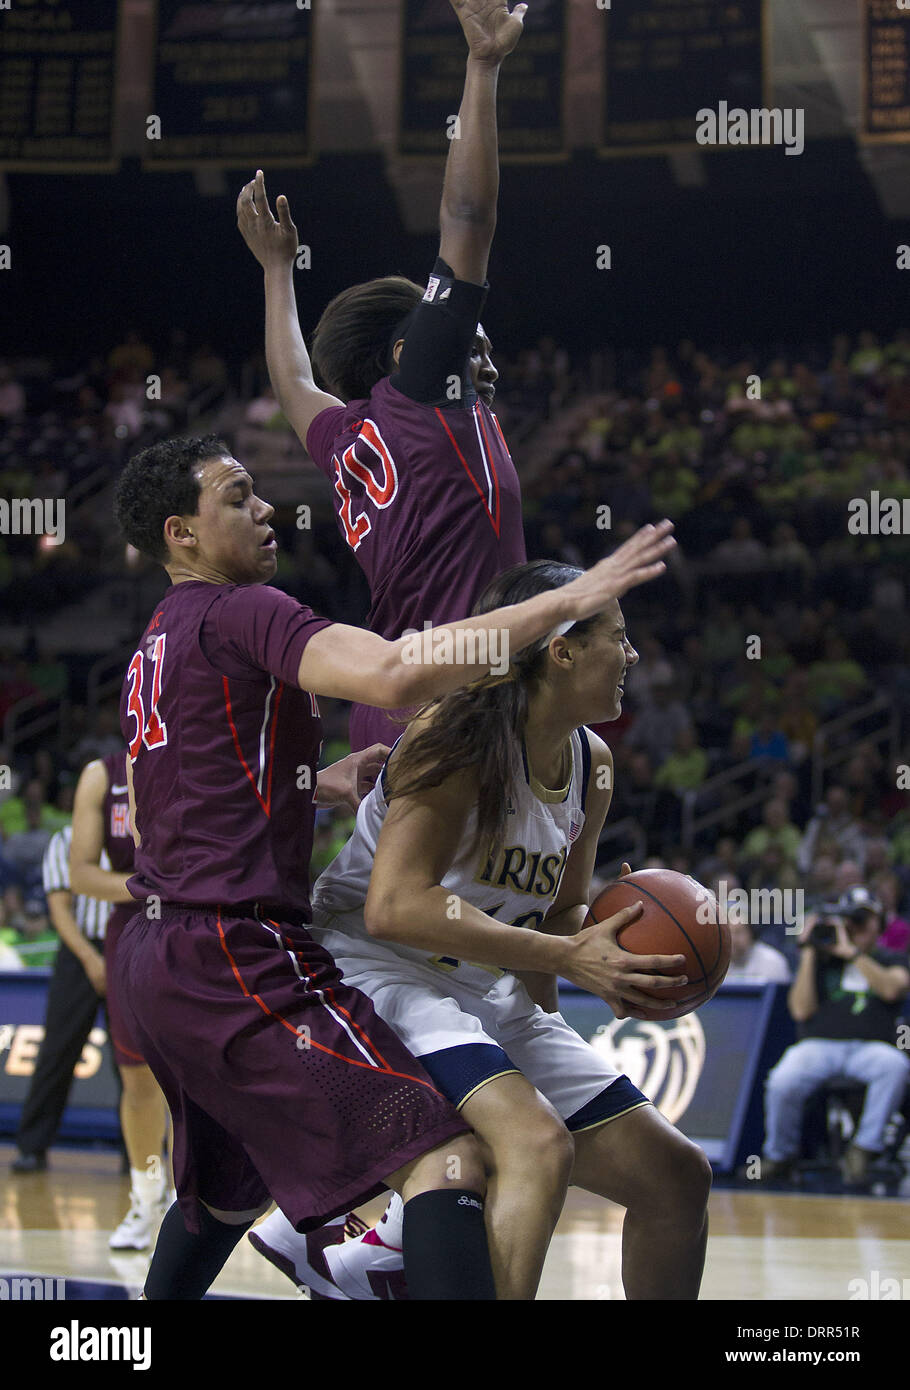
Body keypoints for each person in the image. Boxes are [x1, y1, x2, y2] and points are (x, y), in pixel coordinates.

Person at [112, 431, 676, 1300]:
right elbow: (396, 671)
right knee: (449, 1161)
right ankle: (367, 1260)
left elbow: (170, 805)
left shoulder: (159, 636)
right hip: (234, 950)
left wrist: (308, 784)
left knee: (224, 1197)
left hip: (158, 953)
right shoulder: (244, 609)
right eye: (237, 496)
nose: (265, 508)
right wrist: (582, 593)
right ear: (181, 533)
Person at [252, 560, 709, 1301]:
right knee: (533, 1145)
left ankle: (376, 1256)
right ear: (561, 649)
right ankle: (376, 1249)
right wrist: (564, 952)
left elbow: (559, 912)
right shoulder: (456, 731)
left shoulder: (592, 762)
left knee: (676, 1176)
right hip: (372, 968)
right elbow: (394, 905)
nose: (632, 656)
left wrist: (607, 961)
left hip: (479, 982)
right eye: (617, 638)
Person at [237, 0, 528, 752]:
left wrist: (277, 272)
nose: (488, 364)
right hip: (452, 699)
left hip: (390, 701)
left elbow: (293, 380)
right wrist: (483, 65)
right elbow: (469, 217)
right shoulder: (425, 392)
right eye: (476, 347)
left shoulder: (347, 433)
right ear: (409, 352)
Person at [69, 750, 171, 1251]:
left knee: (195, 1075)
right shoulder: (99, 775)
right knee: (137, 1079)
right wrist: (147, 887)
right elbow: (82, 875)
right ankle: (145, 1195)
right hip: (130, 931)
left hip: (195, 926)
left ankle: (189, 1192)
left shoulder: (199, 754)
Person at [759, 886, 910, 1187]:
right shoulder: (822, 961)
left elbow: (892, 989)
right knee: (782, 1078)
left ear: (878, 925)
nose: (856, 927)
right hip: (819, 1046)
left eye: (863, 920)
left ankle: (863, 1150)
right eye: (850, 920)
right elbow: (800, 1011)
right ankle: (780, 1156)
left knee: (895, 1066)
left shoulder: (891, 958)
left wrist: (852, 953)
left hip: (871, 1048)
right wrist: (810, 952)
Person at [9, 824, 110, 1173]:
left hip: (130, 947)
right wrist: (90, 958)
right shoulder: (67, 838)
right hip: (77, 951)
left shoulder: (141, 830)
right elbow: (59, 908)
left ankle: (140, 1159)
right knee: (57, 1051)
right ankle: (32, 1147)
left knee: (137, 1063)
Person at [721, 914, 791, 985]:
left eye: (738, 933)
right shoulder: (719, 963)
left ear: (752, 934)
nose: (733, 939)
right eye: (729, 933)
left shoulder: (773, 962)